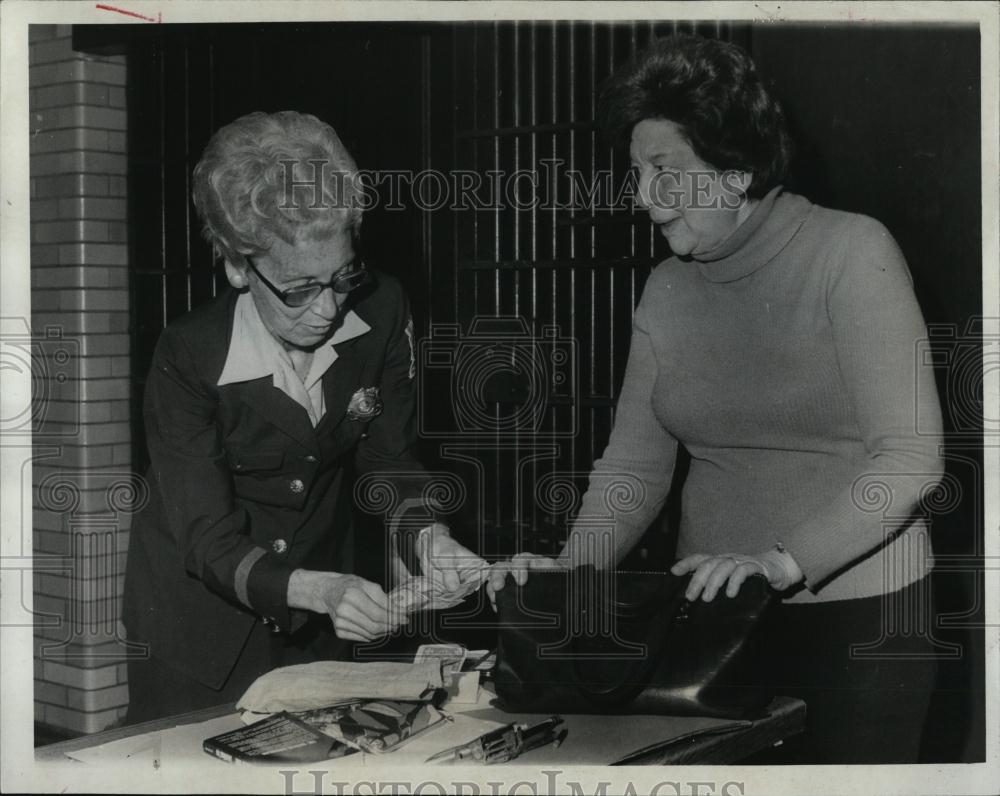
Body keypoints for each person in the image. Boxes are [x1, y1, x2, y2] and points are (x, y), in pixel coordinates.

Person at [488, 34, 945, 763]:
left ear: (736, 173)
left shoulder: (852, 253)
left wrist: (780, 561)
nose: (641, 197)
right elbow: (635, 467)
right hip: (708, 627)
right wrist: (574, 575)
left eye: (665, 172)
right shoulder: (667, 288)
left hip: (861, 623)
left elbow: (913, 458)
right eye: (636, 173)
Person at [123, 111, 484, 723]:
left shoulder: (383, 309)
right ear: (239, 266)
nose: (328, 310)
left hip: (321, 626)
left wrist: (428, 536)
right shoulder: (187, 355)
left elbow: (389, 461)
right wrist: (320, 589)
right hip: (200, 633)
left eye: (343, 276)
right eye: (299, 288)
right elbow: (209, 540)